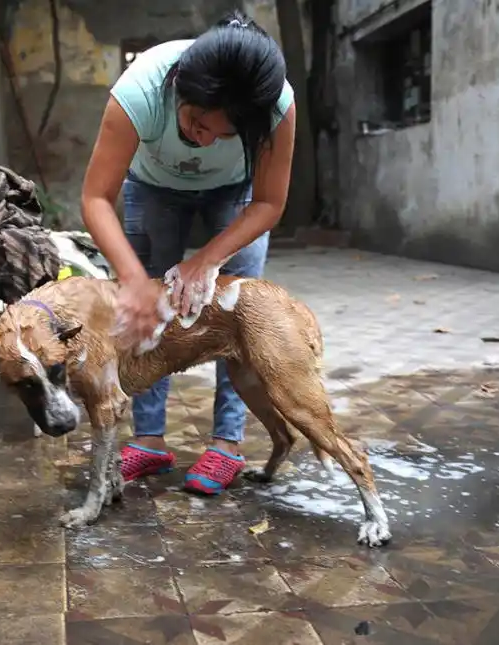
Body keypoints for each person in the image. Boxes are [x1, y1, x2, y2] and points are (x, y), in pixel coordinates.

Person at [79, 10, 296, 495]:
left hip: (237, 196)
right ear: (178, 89)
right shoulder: (141, 90)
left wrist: (208, 259)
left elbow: (269, 202)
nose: (204, 141)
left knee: (236, 313)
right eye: (196, 122)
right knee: (144, 310)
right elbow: (95, 198)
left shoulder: (275, 107)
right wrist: (133, 280)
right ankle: (150, 440)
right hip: (153, 188)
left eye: (223, 135)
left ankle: (227, 444)